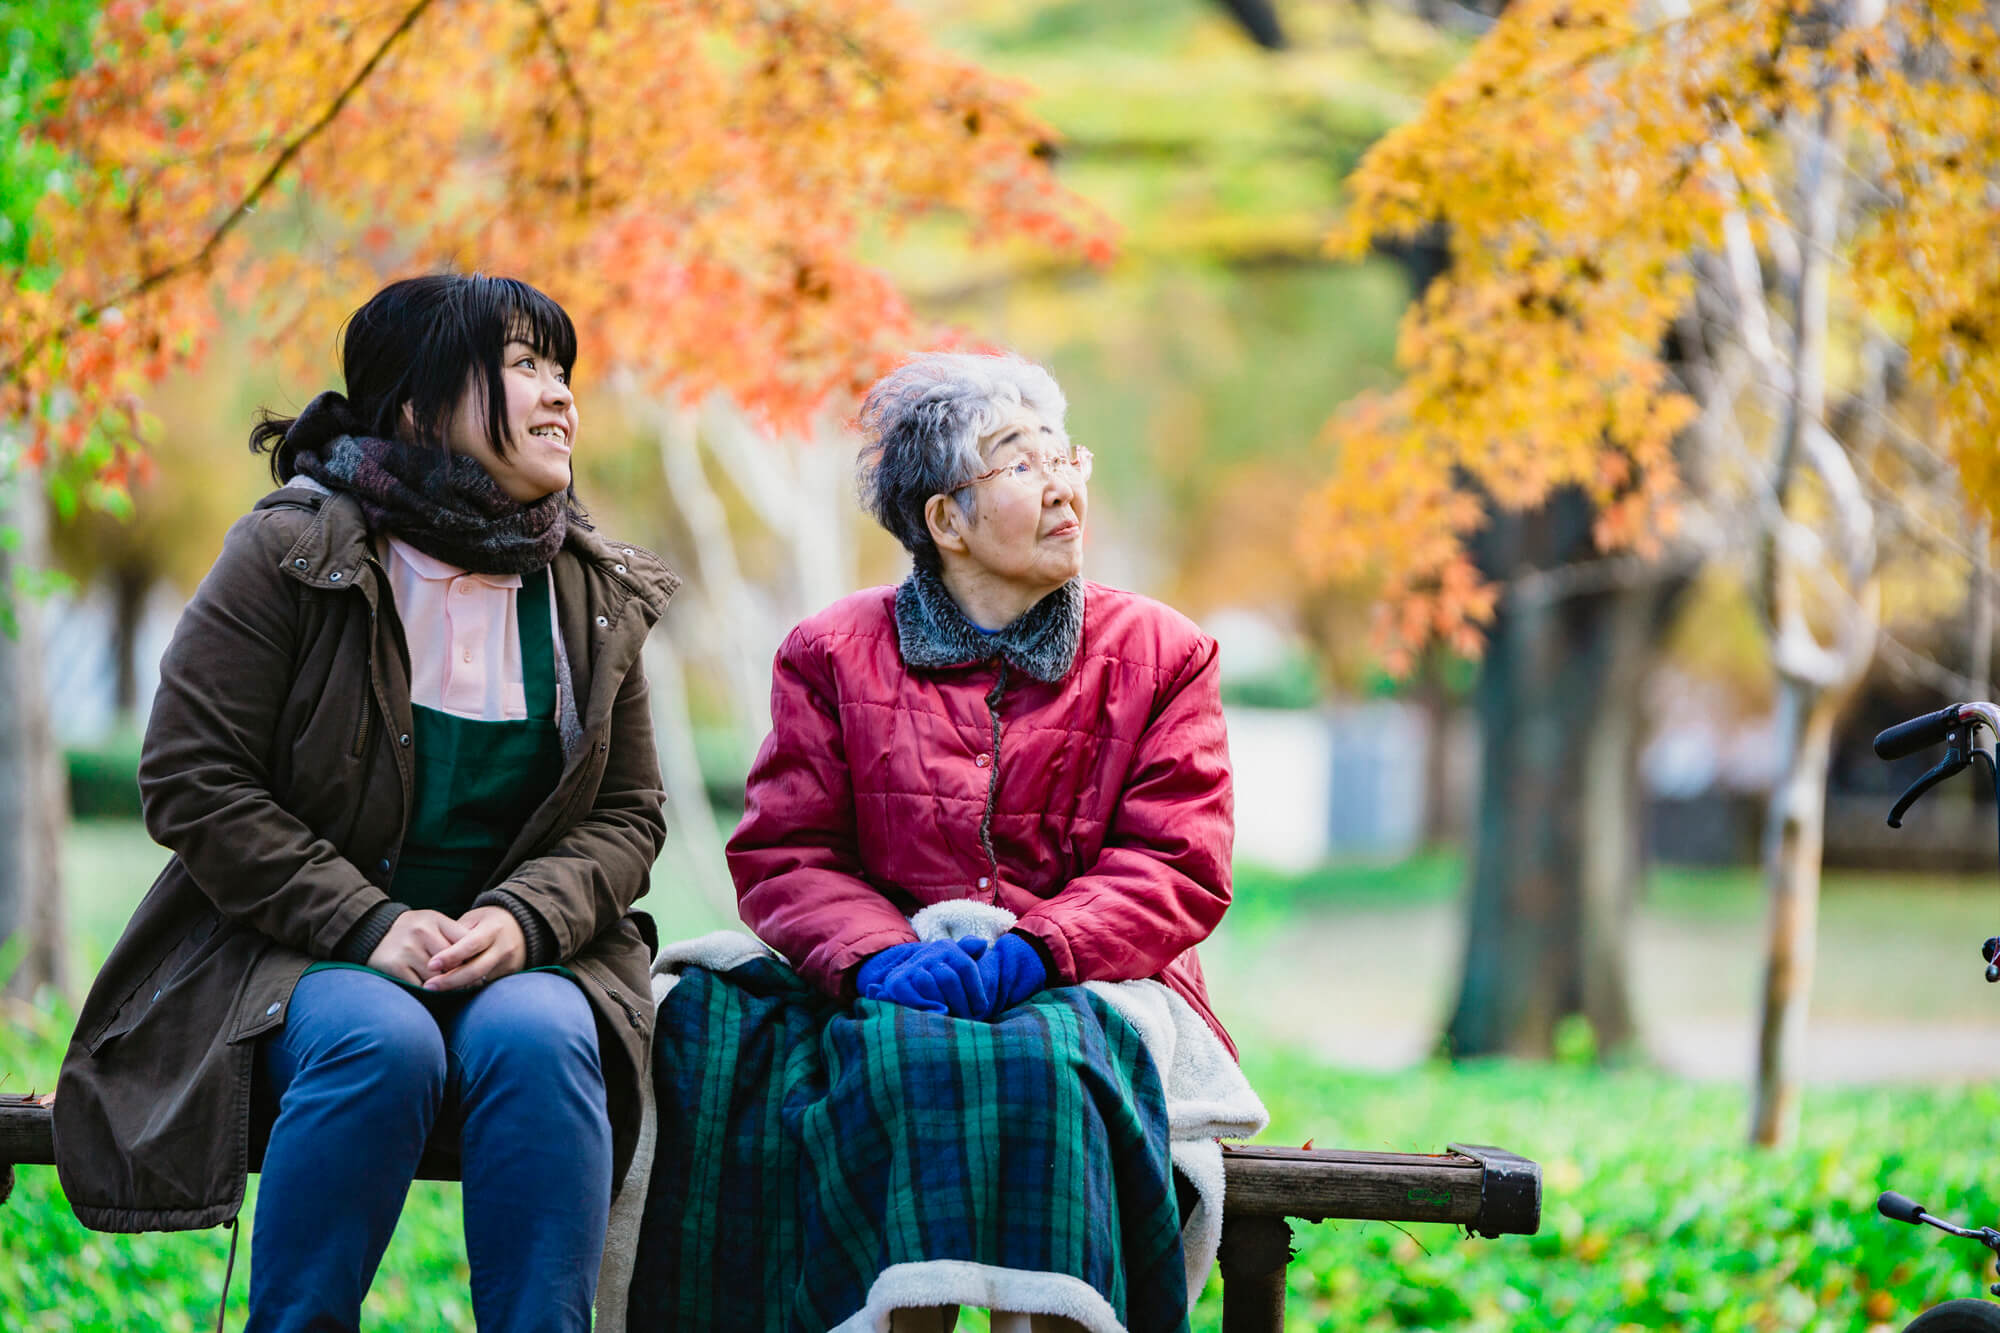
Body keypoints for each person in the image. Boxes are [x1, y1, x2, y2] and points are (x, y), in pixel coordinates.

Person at [52, 274, 678, 1333]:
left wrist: (525, 919)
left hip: (525, 961)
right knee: (379, 1041)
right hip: (296, 955)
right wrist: (366, 923)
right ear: (418, 407)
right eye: (522, 366)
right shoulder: (291, 552)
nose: (559, 394)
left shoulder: (587, 587)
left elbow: (629, 814)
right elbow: (193, 778)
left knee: (539, 1038)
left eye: (560, 368)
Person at [623, 351, 1240, 1333]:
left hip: (1092, 976)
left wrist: (1038, 947)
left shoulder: (1162, 653)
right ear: (944, 520)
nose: (1061, 483)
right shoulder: (829, 650)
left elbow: (1175, 862)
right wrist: (876, 956)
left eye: (1062, 453)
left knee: (1050, 1058)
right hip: (890, 976)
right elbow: (789, 853)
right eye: (1018, 461)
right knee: (887, 1055)